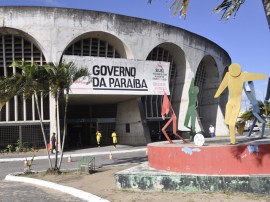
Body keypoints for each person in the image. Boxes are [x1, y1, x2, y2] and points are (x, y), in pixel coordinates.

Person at [214, 63, 267, 144]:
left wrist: (264, 76)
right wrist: (217, 94)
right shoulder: (228, 75)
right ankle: (234, 129)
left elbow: (255, 76)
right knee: (227, 121)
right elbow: (222, 86)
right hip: (231, 102)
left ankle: (233, 140)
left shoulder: (243, 75)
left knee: (231, 123)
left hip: (237, 102)